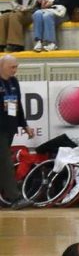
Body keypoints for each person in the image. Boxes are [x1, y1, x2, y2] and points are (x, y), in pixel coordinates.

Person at [0, 55, 33, 208]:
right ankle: (15, 198)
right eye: (12, 67)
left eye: (16, 67)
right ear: (2, 66)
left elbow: (17, 105)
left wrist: (24, 125)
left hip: (9, 128)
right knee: (6, 163)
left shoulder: (13, 82)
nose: (15, 70)